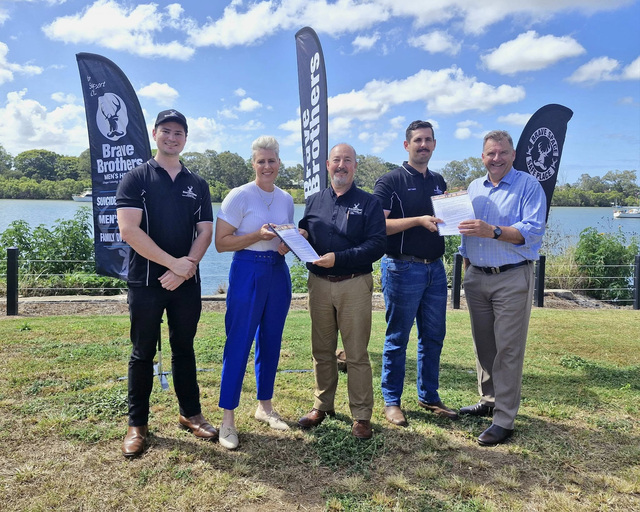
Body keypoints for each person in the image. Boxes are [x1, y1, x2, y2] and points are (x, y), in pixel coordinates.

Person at [116, 109, 217, 458]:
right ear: (155, 133)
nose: (172, 138)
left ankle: (191, 414)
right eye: (167, 131)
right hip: (145, 281)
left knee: (184, 348)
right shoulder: (135, 178)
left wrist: (186, 268)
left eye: (179, 133)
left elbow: (205, 232)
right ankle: (137, 424)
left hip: (186, 282)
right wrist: (174, 264)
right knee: (142, 352)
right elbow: (129, 231)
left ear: (185, 139)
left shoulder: (197, 183)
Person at [457, 130, 546, 446]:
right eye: (491, 153)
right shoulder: (473, 188)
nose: (496, 158)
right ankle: (489, 399)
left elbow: (532, 232)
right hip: (477, 276)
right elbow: (465, 233)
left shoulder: (529, 186)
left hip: (511, 276)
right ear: (482, 157)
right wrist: (468, 270)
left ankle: (504, 418)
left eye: (503, 152)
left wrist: (492, 230)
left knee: (508, 348)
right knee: (484, 345)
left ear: (513, 155)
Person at [297, 143, 386, 440]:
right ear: (327, 165)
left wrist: (339, 258)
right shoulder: (313, 201)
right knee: (322, 350)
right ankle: (322, 405)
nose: (341, 165)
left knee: (356, 353)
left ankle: (361, 415)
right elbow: (306, 231)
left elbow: (377, 245)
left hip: (354, 283)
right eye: (336, 159)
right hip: (319, 284)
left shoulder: (369, 203)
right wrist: (300, 234)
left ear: (355, 166)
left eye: (348, 160)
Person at [373, 120, 457, 428]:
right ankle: (392, 401)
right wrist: (417, 220)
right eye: (418, 140)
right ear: (407, 145)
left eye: (428, 140)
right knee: (398, 338)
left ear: (434, 144)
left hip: (435, 268)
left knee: (433, 336)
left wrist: (456, 207)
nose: (424, 145)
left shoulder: (438, 180)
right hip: (402, 268)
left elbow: (443, 220)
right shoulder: (390, 181)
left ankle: (429, 396)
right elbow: (377, 226)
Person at [214, 136, 294, 450]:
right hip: (247, 269)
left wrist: (288, 243)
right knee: (239, 342)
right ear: (253, 164)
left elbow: (284, 236)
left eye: (271, 160)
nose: (267, 166)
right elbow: (221, 243)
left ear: (279, 163)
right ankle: (227, 419)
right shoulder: (239, 195)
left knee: (271, 341)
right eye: (261, 161)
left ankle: (265, 407)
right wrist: (255, 236)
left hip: (277, 271)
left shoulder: (286, 198)